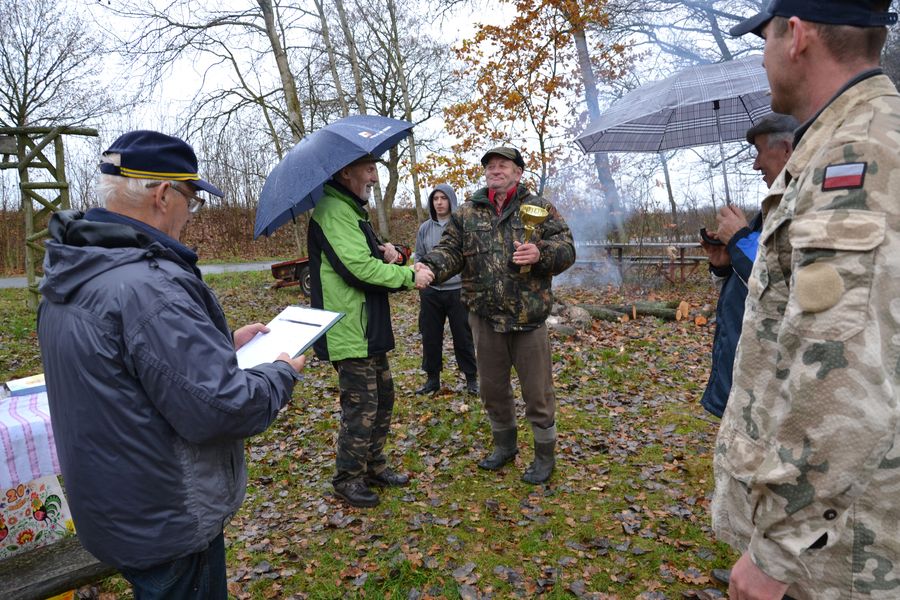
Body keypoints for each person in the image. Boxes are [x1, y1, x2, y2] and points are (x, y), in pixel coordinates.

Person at [37, 130, 306, 599]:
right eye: (191, 198)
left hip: (119, 510)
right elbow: (222, 408)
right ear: (164, 194)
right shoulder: (149, 287)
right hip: (169, 517)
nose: (191, 212)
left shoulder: (75, 270)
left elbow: (122, 367)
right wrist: (280, 371)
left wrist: (221, 343)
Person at [715, 2, 900, 598]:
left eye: (763, 39)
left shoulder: (855, 158)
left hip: (843, 549)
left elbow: (843, 377)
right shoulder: (848, 140)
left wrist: (776, 552)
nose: (762, 58)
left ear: (795, 36)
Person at [416, 147, 575, 484]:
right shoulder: (468, 212)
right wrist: (430, 266)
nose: (495, 170)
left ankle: (544, 456)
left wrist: (541, 252)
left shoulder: (540, 208)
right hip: (485, 318)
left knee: (538, 392)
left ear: (518, 172)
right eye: (490, 166)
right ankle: (506, 447)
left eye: (503, 165)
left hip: (528, 318)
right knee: (491, 389)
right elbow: (450, 251)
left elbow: (567, 249)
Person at [308, 154, 433, 508]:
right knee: (361, 406)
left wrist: (393, 254)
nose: (374, 177)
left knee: (382, 400)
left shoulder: (351, 210)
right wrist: (410, 276)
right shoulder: (332, 211)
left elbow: (369, 259)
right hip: (350, 329)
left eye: (375, 169)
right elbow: (357, 269)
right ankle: (348, 478)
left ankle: (373, 467)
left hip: (368, 325)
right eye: (368, 169)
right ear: (345, 171)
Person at [699, 113, 797, 418]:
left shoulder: (801, 208)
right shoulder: (770, 209)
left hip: (771, 378)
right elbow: (749, 278)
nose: (755, 165)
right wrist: (723, 264)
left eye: (759, 152)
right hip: (744, 365)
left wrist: (739, 237)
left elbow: (777, 283)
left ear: (785, 150)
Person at [414, 184, 479, 396]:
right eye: (435, 199)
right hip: (431, 292)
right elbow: (419, 255)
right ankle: (432, 379)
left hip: (457, 290)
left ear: (451, 200)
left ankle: (471, 379)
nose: (439, 202)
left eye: (443, 198)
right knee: (430, 335)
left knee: (463, 335)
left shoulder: (462, 225)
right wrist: (419, 270)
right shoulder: (425, 228)